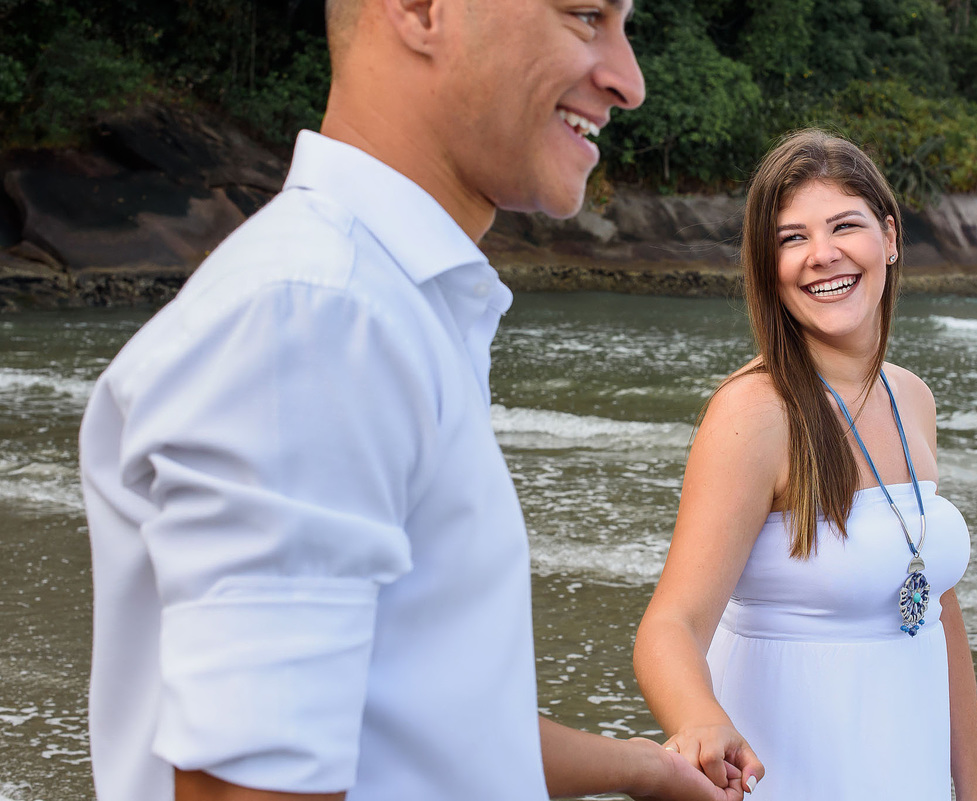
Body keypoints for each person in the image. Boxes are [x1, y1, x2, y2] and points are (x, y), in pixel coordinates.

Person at [78, 1, 754, 799]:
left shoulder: (380, 308)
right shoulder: (320, 318)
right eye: (584, 15)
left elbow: (414, 717)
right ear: (420, 10)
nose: (628, 81)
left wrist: (646, 768)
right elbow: (249, 787)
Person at [632, 129, 977, 800]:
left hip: (905, 774)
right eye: (791, 237)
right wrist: (698, 718)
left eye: (844, 225)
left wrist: (974, 787)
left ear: (889, 237)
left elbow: (935, 603)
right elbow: (669, 627)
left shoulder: (912, 397)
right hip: (789, 777)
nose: (821, 254)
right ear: (768, 265)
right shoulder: (756, 412)